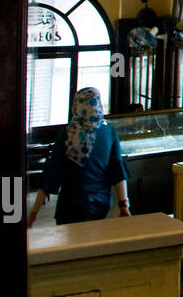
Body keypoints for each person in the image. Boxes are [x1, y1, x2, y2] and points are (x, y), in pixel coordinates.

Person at [28, 87, 131, 226]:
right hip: (100, 204)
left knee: (73, 245)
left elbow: (53, 173)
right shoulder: (109, 132)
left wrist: (34, 212)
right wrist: (124, 205)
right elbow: (118, 170)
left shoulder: (66, 134)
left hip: (71, 204)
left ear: (77, 107)